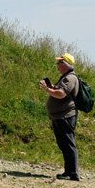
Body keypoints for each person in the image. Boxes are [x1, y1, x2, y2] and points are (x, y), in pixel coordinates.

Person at [40, 52, 80, 181]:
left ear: (65, 64)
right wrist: (51, 87)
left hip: (65, 116)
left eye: (59, 63)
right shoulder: (65, 77)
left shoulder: (70, 78)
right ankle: (68, 171)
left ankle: (73, 173)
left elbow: (61, 94)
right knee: (64, 144)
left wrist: (47, 89)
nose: (57, 65)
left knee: (68, 144)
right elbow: (59, 92)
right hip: (60, 116)